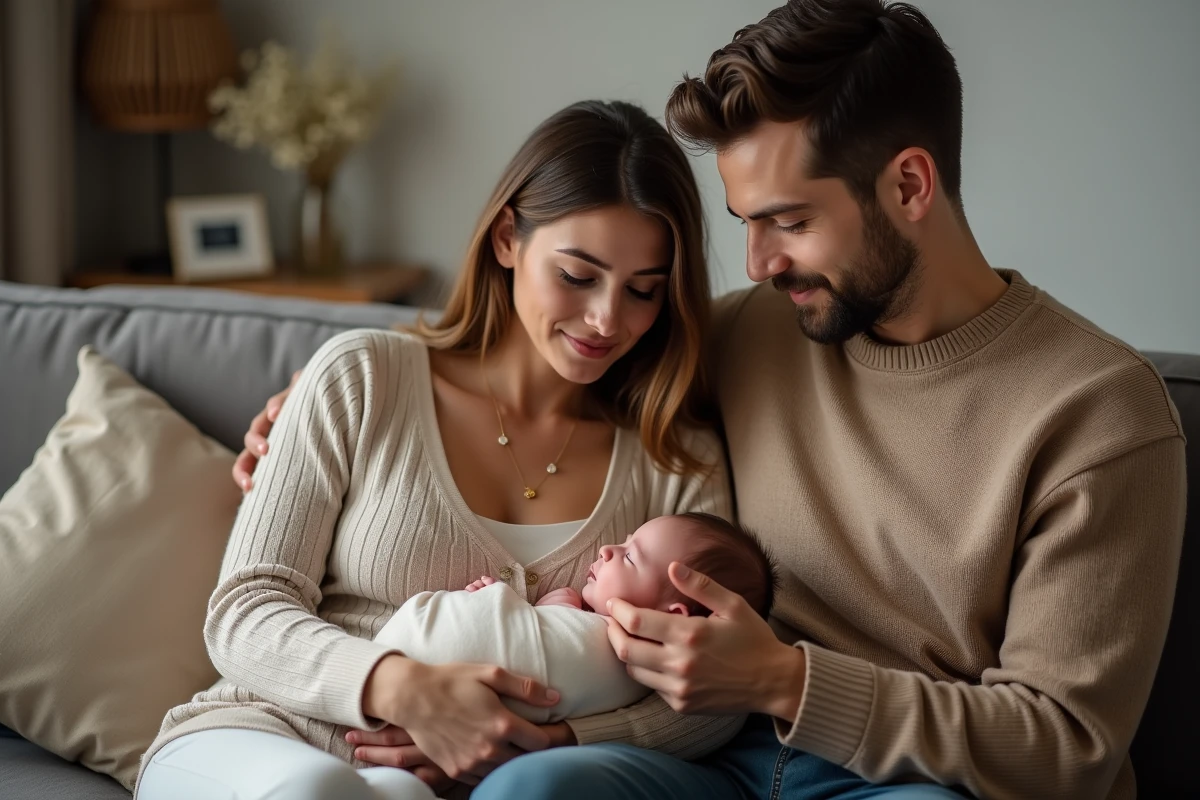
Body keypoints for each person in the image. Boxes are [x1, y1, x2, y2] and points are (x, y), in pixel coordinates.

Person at [237, 3, 1187, 799]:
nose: (760, 263)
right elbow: (561, 345)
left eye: (790, 221)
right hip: (713, 765)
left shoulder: (1098, 414)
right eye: (746, 224)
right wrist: (318, 396)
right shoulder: (759, 331)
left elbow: (1066, 746)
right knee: (535, 790)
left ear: (908, 184)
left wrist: (788, 681)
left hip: (907, 780)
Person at [134, 99, 743, 800]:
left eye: (643, 291)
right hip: (261, 736)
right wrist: (402, 688)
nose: (607, 318)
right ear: (508, 239)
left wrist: (556, 740)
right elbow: (244, 610)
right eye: (578, 276)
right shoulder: (363, 378)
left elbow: (717, 694)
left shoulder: (676, 457)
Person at [373, 514, 777, 724]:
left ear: (672, 619)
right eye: (624, 541)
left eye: (630, 557)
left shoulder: (611, 647)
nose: (607, 550)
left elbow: (537, 633)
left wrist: (494, 600)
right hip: (393, 680)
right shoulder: (635, 684)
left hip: (421, 648)